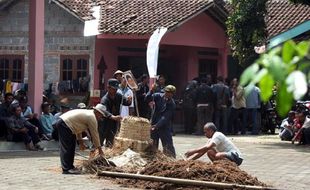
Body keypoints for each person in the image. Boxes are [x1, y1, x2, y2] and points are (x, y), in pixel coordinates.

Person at [56, 104, 107, 174]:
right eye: (101, 115)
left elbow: (78, 129)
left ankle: (70, 167)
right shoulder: (91, 117)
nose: (101, 117)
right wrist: (100, 149)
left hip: (68, 125)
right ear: (97, 112)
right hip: (64, 124)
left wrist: (81, 143)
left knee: (71, 147)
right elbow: (95, 134)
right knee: (67, 147)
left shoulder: (88, 115)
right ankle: (66, 169)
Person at [145, 84, 177, 158]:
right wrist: (151, 90)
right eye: (167, 92)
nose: (168, 94)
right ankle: (152, 160)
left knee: (168, 145)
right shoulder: (157, 96)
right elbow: (147, 99)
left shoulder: (172, 104)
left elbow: (165, 117)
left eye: (170, 93)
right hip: (154, 123)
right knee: (153, 144)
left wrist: (157, 125)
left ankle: (171, 160)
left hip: (164, 126)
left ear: (173, 94)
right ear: (164, 91)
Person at [100, 78, 132, 147]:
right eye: (114, 89)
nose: (115, 90)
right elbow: (104, 111)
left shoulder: (118, 95)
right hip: (104, 123)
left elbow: (126, 102)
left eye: (116, 89)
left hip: (113, 124)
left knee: (110, 143)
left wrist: (129, 100)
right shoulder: (104, 99)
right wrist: (113, 117)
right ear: (108, 88)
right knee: (99, 143)